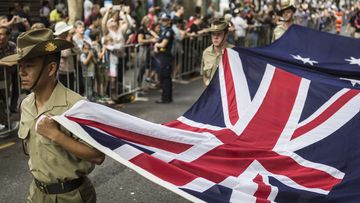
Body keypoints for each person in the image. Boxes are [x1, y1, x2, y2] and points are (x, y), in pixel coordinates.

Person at [0, 28, 105, 202]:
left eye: (29, 66)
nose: (21, 73)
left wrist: (56, 134)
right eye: (20, 66)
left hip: (70, 196)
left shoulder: (76, 106)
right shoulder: (26, 104)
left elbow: (97, 155)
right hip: (36, 193)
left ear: (50, 69)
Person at [200, 19, 234, 86]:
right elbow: (204, 75)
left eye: (219, 34)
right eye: (213, 34)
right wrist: (208, 86)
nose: (215, 37)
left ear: (226, 35)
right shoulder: (206, 53)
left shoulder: (233, 52)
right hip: (212, 94)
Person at [154, 13, 174, 103]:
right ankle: (166, 97)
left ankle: (166, 98)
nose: (163, 22)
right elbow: (159, 42)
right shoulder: (164, 30)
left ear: (169, 21)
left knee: (165, 77)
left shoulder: (169, 31)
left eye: (165, 20)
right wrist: (157, 45)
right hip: (162, 56)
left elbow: (163, 44)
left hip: (166, 56)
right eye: (162, 20)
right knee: (163, 77)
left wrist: (157, 45)